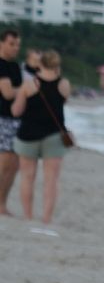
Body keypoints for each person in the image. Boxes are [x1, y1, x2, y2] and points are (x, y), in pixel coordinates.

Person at [11, 48, 71, 227]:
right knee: (51, 180)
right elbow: (63, 102)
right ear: (57, 65)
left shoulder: (29, 84)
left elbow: (16, 111)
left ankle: (28, 216)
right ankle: (46, 219)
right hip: (53, 136)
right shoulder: (64, 84)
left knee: (27, 177)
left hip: (28, 134)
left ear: (40, 64)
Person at [0, 27, 23, 215]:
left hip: (17, 119)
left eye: (18, 45)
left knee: (14, 165)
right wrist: (24, 90)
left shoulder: (15, 67)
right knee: (4, 162)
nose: (15, 48)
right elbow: (7, 93)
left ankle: (2, 203)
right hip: (2, 118)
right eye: (12, 44)